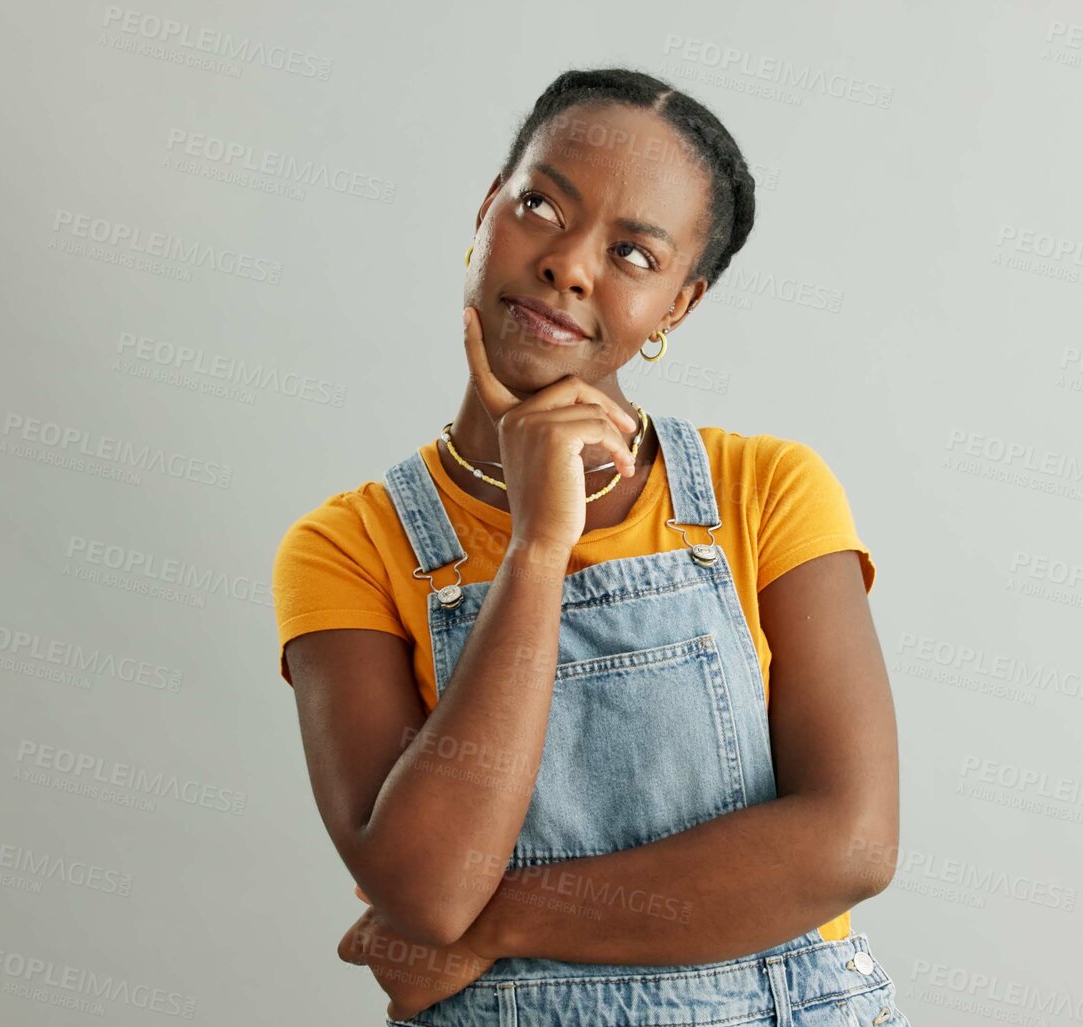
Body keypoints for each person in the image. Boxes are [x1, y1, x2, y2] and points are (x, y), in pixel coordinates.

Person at [272, 67, 905, 1026]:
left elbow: (850, 843)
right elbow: (429, 890)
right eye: (539, 205)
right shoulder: (350, 546)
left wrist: (496, 927)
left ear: (678, 308)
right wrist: (536, 547)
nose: (569, 264)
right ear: (487, 211)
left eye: (634, 254)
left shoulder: (765, 492)